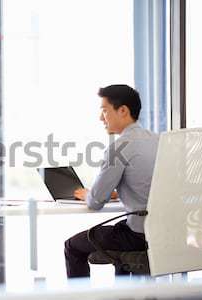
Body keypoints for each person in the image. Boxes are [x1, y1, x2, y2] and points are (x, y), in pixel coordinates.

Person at [64, 84, 159, 278]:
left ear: (123, 110)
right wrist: (123, 190)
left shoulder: (119, 148)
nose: (101, 118)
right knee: (120, 233)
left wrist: (86, 194)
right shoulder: (158, 141)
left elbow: (96, 202)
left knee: (72, 247)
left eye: (104, 110)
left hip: (139, 236)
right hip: (164, 233)